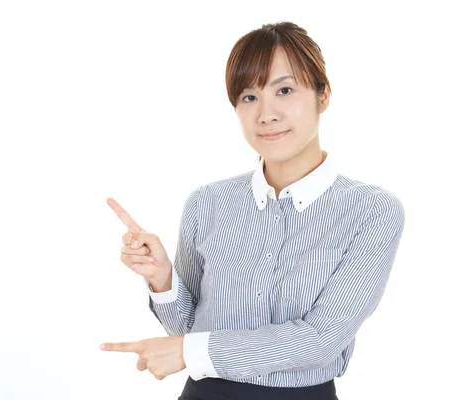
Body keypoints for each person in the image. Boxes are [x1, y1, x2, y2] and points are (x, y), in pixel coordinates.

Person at [101, 21, 405, 400]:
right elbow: (189, 331)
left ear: (323, 95)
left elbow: (320, 340)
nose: (266, 114)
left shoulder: (370, 211)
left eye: (285, 90)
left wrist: (188, 352)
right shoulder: (206, 203)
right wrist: (163, 280)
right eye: (249, 97)